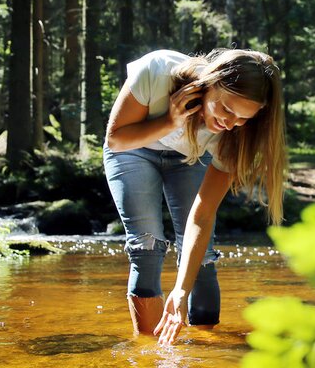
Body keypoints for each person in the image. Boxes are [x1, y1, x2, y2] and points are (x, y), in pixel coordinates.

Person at [102, 48, 287, 346]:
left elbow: (202, 215)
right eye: (226, 109)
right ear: (210, 82)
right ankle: (149, 352)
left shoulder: (235, 136)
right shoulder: (157, 71)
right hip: (133, 149)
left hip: (191, 159)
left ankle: (205, 351)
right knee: (146, 246)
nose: (230, 123)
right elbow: (116, 139)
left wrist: (180, 291)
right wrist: (169, 122)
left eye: (243, 118)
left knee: (202, 258)